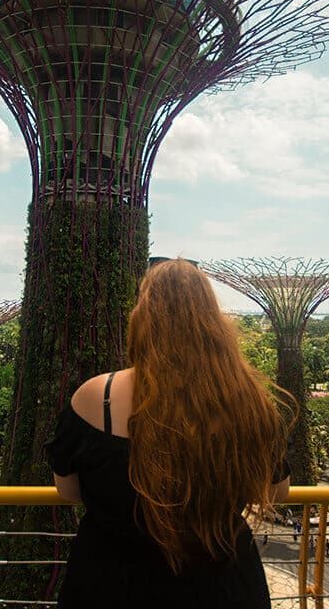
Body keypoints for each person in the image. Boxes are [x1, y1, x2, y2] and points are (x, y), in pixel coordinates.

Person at [47, 258, 293, 609]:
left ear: (141, 320)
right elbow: (275, 491)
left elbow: (68, 491)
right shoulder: (250, 402)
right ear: (214, 323)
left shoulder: (95, 397)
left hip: (111, 586)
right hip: (222, 588)